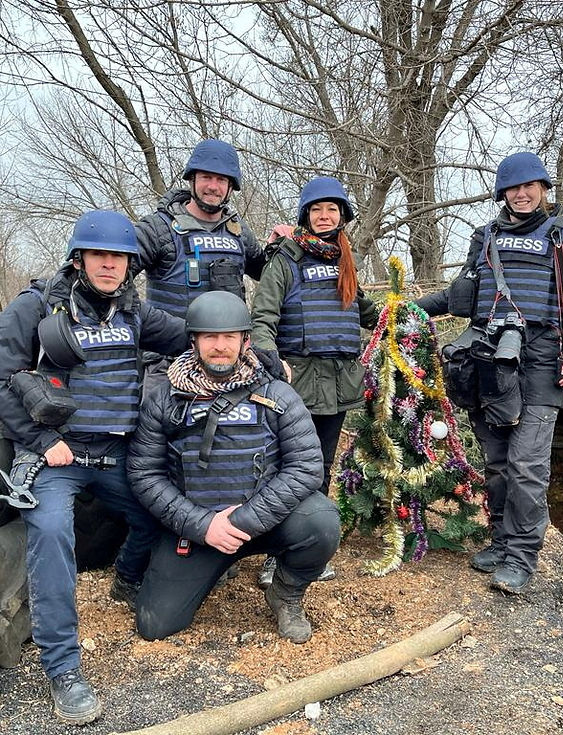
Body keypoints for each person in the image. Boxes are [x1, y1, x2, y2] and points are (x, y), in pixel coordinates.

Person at [0, 210, 188, 725]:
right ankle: (63, 669)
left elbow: (194, 334)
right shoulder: (36, 307)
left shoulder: (134, 313)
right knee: (52, 538)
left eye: (119, 257)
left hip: (118, 454)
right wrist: (43, 439)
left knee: (163, 513)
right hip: (56, 457)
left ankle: (128, 578)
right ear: (79, 258)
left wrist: (254, 347)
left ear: (130, 264)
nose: (109, 265)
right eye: (99, 255)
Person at [417, 152, 563, 595]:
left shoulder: (562, 238)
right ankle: (500, 541)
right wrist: (402, 310)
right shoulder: (485, 237)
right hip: (487, 360)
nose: (521, 194)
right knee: (497, 464)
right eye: (513, 188)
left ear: (543, 190)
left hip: (541, 362)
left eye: (529, 186)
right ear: (503, 193)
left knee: (527, 466)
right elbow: (458, 298)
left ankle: (521, 556)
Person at [127, 291, 340, 644]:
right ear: (194, 340)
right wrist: (205, 526)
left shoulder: (277, 394)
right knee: (155, 625)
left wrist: (240, 522)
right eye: (210, 336)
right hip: (198, 528)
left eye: (230, 337)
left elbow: (306, 467)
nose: (220, 346)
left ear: (245, 341)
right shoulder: (164, 399)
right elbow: (144, 475)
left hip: (263, 522)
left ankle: (285, 594)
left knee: (322, 521)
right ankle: (215, 567)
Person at [250, 176, 378, 587]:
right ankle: (274, 554)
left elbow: (364, 311)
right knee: (284, 468)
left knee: (320, 466)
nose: (325, 216)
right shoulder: (285, 260)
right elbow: (263, 319)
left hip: (338, 384)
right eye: (317, 209)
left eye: (332, 210)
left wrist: (407, 318)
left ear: (342, 217)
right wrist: (271, 361)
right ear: (306, 214)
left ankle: (308, 550)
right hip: (295, 384)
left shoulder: (346, 261)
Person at [133, 139, 267, 386]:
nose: (213, 187)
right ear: (192, 179)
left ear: (230, 187)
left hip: (226, 363)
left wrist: (287, 245)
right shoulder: (158, 228)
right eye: (206, 177)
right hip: (168, 363)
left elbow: (268, 275)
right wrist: (149, 322)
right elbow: (112, 276)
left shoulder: (239, 232)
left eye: (222, 180)